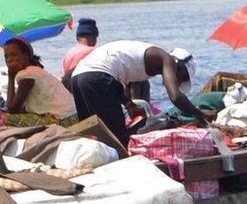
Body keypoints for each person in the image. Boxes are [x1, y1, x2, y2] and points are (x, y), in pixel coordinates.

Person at [68, 40, 205, 146]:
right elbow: (176, 97)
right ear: (178, 65)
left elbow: (116, 81)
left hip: (79, 77)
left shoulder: (147, 59)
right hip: (96, 77)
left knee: (92, 133)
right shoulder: (166, 59)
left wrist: (129, 105)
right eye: (182, 77)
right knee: (119, 139)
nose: (177, 80)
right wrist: (200, 113)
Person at [2, 37, 78, 127]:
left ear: (25, 56)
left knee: (4, 118)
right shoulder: (37, 71)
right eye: (6, 56)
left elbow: (12, 110)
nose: (9, 59)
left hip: (62, 120)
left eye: (14, 55)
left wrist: (11, 77)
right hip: (74, 116)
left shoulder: (27, 75)